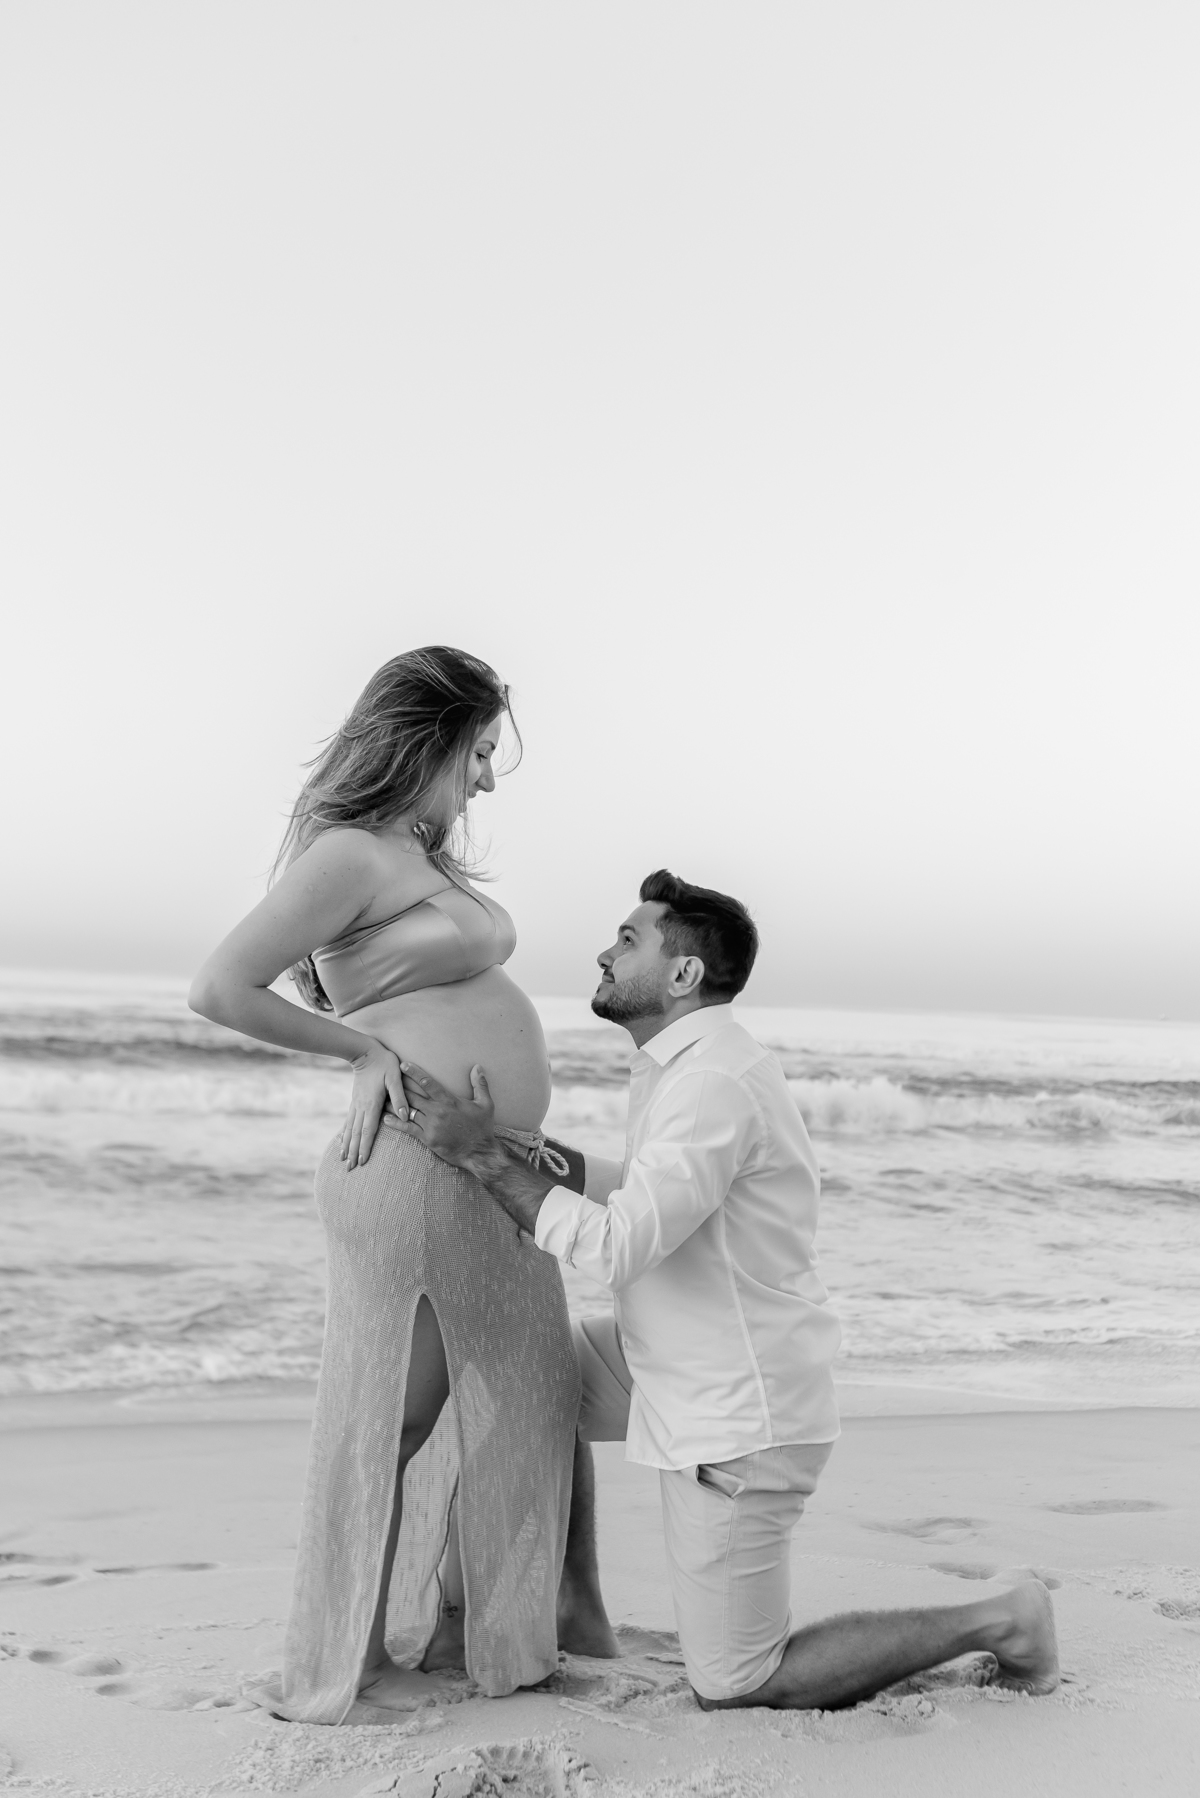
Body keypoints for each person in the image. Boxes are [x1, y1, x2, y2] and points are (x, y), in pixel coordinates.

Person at [396, 869, 1061, 1711]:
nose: (605, 953)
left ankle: (1004, 1617)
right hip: (666, 1355)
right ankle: (578, 1609)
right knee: (517, 1379)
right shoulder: (688, 1066)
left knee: (738, 1682)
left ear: (683, 975)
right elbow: (647, 1189)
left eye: (628, 940)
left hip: (738, 1416)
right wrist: (526, 1150)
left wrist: (480, 1155)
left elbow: (619, 1245)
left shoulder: (712, 1082)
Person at [188, 646, 616, 1725]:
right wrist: (362, 1051)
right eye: (478, 752)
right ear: (427, 738)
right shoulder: (348, 854)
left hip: (485, 1172)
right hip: (415, 1174)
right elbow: (219, 987)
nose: (487, 779)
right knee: (402, 1415)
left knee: (527, 1389)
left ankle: (484, 1627)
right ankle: (354, 1656)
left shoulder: (416, 856)